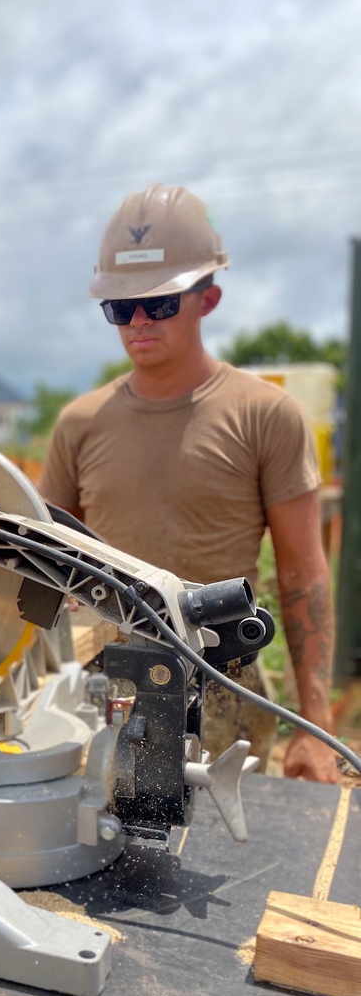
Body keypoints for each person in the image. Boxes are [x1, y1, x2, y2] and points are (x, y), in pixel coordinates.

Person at [41, 183, 338, 784]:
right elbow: (40, 565)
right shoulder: (79, 424)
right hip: (101, 694)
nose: (139, 321)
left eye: (161, 303)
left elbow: (303, 574)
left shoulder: (264, 416)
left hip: (224, 693)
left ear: (209, 299)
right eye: (121, 308)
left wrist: (314, 726)